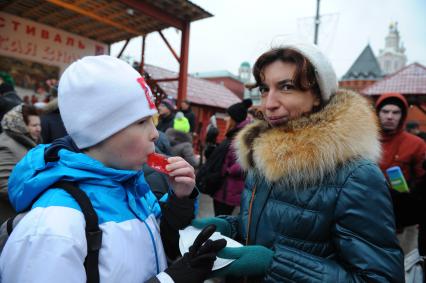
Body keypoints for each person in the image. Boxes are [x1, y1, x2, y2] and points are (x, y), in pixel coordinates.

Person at [0, 55, 226, 283]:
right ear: (101, 131)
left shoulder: (131, 186)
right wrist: (171, 280)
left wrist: (180, 199)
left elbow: (154, 244)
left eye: (153, 120)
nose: (155, 133)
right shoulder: (53, 227)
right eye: (141, 122)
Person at [192, 41, 404, 282]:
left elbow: (381, 278)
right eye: (264, 88)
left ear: (317, 96)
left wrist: (274, 265)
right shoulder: (262, 154)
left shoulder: (355, 175)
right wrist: (231, 228)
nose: (269, 103)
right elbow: (268, 229)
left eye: (287, 87)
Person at [375, 93, 426, 256]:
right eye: (385, 111)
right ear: (377, 113)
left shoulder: (416, 144)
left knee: (402, 263)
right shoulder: (365, 140)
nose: (390, 116)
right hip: (369, 213)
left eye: (395, 112)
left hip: (404, 218)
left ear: (403, 115)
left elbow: (423, 180)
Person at [0, 104, 41, 222]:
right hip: (9, 218)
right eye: (34, 125)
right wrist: (39, 193)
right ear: (20, 126)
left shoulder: (27, 143)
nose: (39, 129)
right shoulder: (5, 145)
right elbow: (4, 186)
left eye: (39, 125)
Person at [213, 99, 252, 216]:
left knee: (222, 221)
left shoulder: (243, 137)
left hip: (230, 189)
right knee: (219, 219)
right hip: (223, 187)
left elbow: (245, 162)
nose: (226, 119)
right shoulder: (234, 133)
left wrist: (227, 170)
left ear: (234, 119)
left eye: (228, 116)